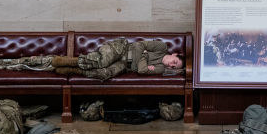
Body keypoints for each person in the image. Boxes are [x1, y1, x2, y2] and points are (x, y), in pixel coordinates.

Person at [44, 38, 183, 80]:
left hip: (124, 65)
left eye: (173, 67)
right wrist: (144, 60)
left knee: (104, 74)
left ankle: (70, 70)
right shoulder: (161, 47)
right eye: (174, 62)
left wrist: (144, 55)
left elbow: (141, 70)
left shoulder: (160, 68)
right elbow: (138, 44)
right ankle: (66, 61)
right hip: (121, 48)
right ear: (174, 55)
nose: (171, 65)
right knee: (101, 62)